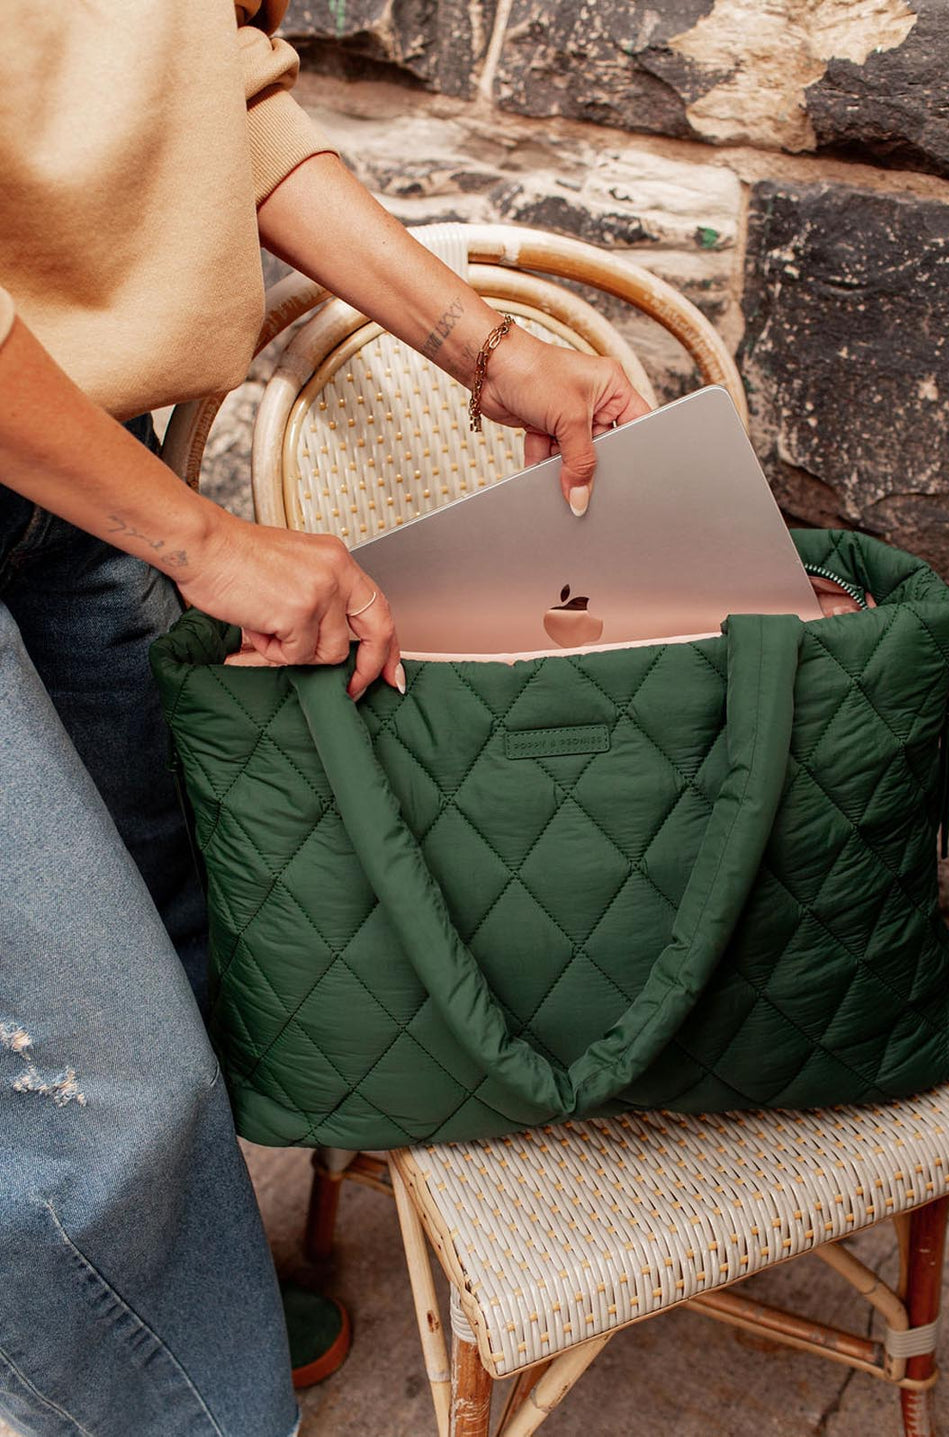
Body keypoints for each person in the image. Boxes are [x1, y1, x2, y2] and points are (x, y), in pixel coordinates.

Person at [0, 3, 649, 1433]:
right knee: (96, 1080)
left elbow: (225, 112)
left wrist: (482, 350)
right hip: (74, 458)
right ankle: (164, 1373)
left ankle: (156, 1289)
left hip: (73, 466)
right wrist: (206, 544)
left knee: (178, 933)